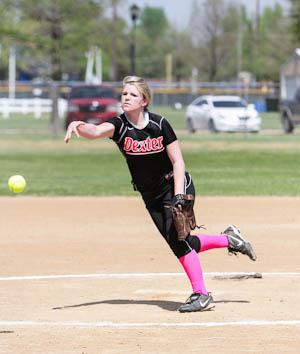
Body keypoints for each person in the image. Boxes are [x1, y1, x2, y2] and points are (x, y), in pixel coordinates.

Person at [64, 76, 257, 313]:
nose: (126, 98)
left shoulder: (159, 124)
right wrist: (78, 126)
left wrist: (178, 196)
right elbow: (95, 131)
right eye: (124, 94)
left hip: (175, 185)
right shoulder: (120, 126)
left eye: (132, 94)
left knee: (178, 242)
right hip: (150, 196)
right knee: (182, 240)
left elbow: (178, 162)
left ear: (144, 100)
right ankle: (231, 240)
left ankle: (202, 294)